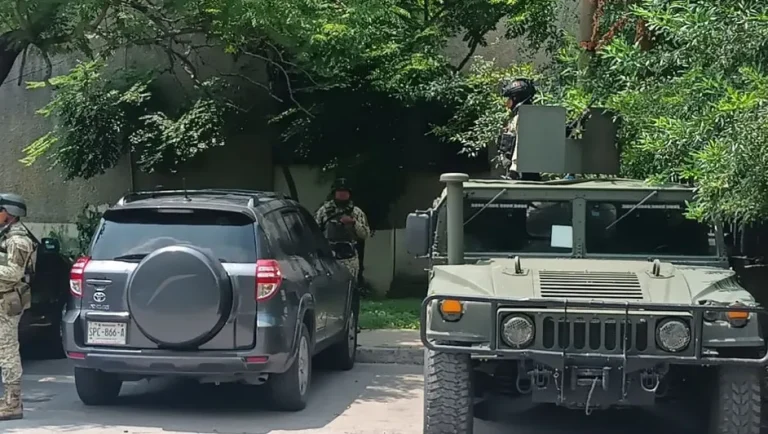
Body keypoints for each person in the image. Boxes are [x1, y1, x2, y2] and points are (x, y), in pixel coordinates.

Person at [314, 179, 371, 324]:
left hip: (348, 257)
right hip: (328, 256)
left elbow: (365, 234)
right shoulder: (324, 211)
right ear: (334, 193)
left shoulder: (356, 212)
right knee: (326, 289)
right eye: (339, 191)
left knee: (351, 291)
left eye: (345, 191)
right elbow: (314, 231)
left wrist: (353, 223)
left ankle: (352, 322)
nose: (342, 194)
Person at [0, 194, 35, 421]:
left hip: (7, 302)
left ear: (9, 213)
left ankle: (13, 403)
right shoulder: (6, 235)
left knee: (7, 351)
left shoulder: (18, 240)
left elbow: (13, 274)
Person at [498, 78, 541, 181]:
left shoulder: (524, 118)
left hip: (523, 175)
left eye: (509, 99)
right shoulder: (522, 116)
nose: (507, 103)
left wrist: (514, 170)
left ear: (516, 98)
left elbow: (521, 144)